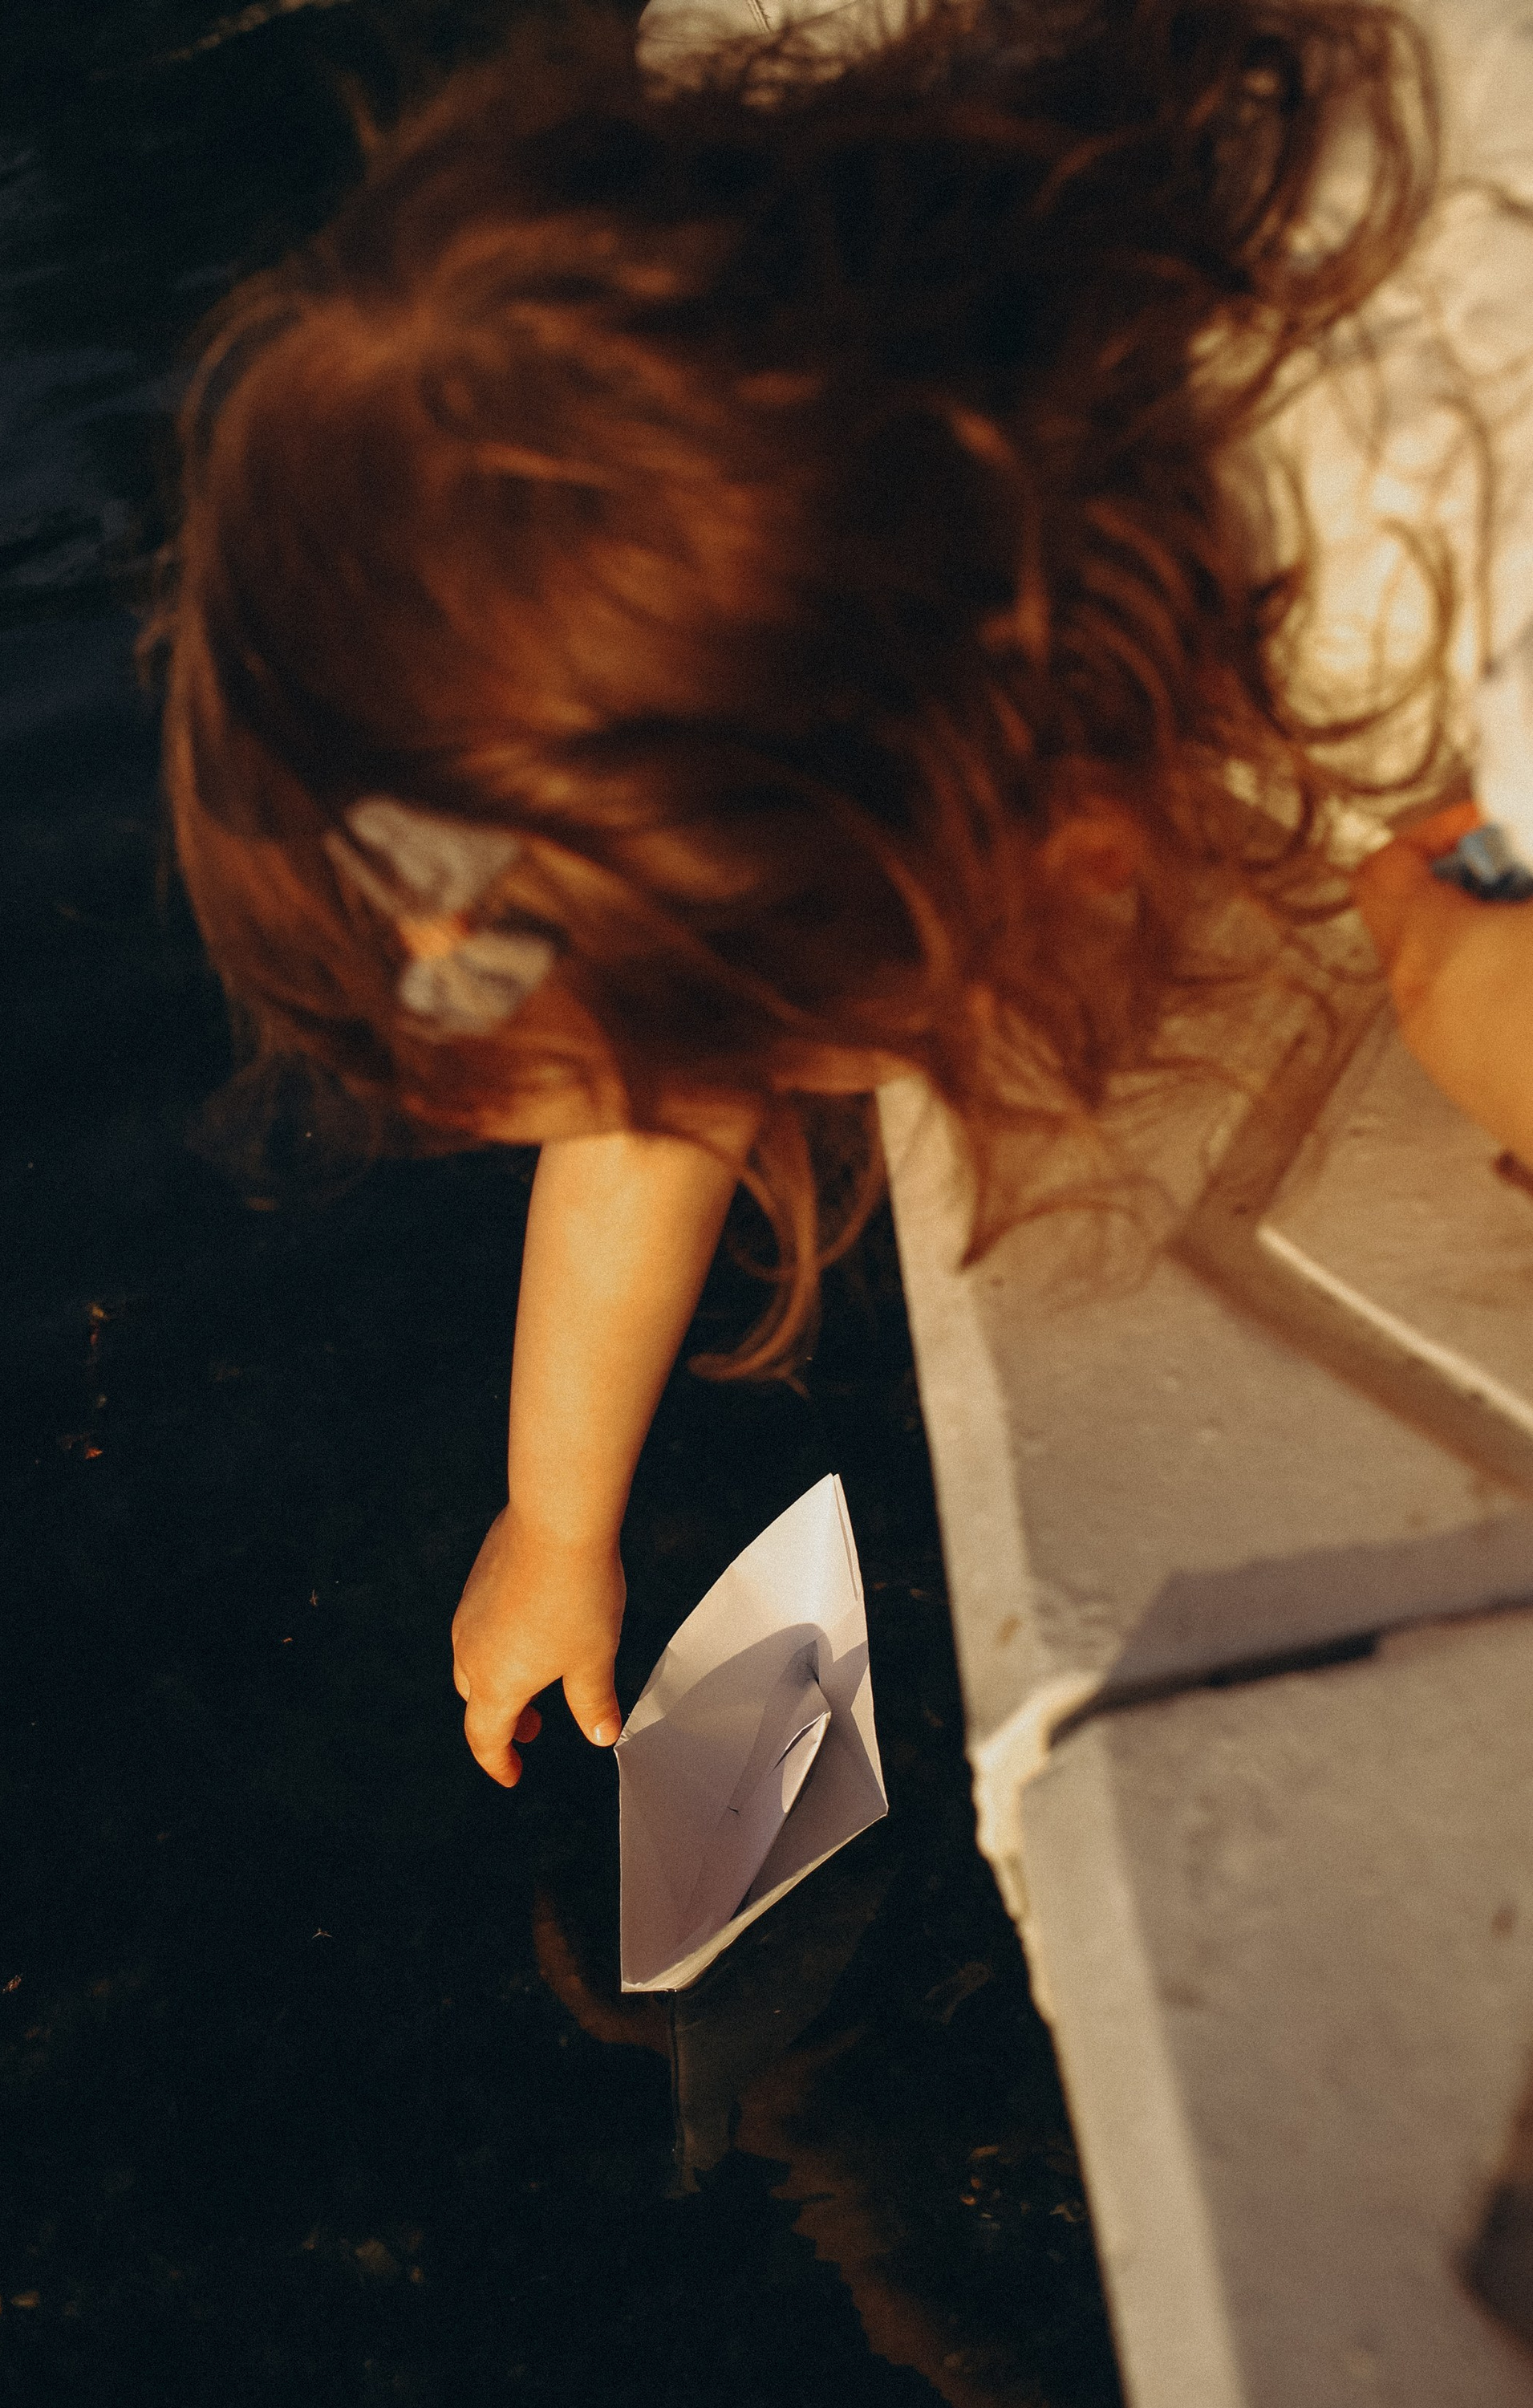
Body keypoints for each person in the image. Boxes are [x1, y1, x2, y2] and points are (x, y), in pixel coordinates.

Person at [153, 0, 1533, 1785]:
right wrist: (554, 1522)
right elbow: (646, 1002)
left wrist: (1445, 961)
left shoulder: (1431, 515)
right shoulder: (783, 333)